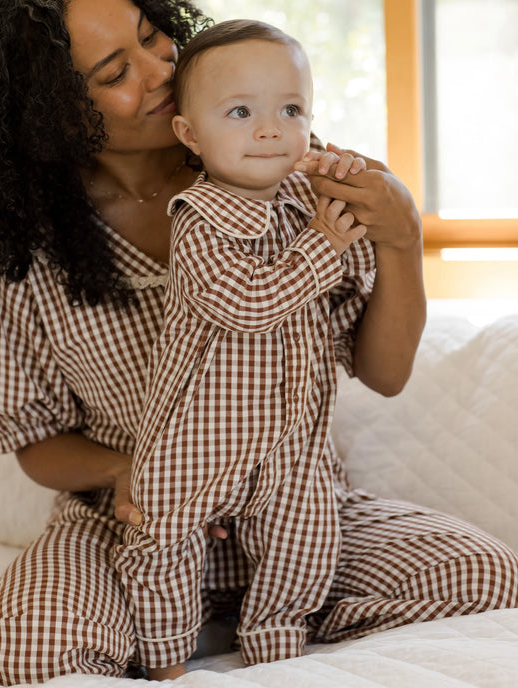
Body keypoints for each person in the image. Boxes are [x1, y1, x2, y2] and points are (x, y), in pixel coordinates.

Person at [0, 0, 518, 685]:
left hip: (297, 508)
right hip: (136, 520)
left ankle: (259, 618)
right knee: (28, 648)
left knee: (486, 575)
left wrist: (401, 237)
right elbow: (38, 445)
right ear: (50, 112)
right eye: (117, 69)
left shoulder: (283, 169)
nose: (160, 70)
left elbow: (384, 375)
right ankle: (171, 621)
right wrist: (139, 473)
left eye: (156, 38)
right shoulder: (20, 250)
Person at [115, 19, 369, 679]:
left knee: (304, 547)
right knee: (163, 545)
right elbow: (248, 304)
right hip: (195, 440)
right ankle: (169, 663)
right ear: (190, 136)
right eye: (241, 112)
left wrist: (343, 185)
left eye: (291, 110)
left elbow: (355, 275)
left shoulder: (305, 201)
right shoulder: (197, 219)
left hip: (291, 445)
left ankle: (275, 652)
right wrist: (323, 242)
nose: (269, 130)